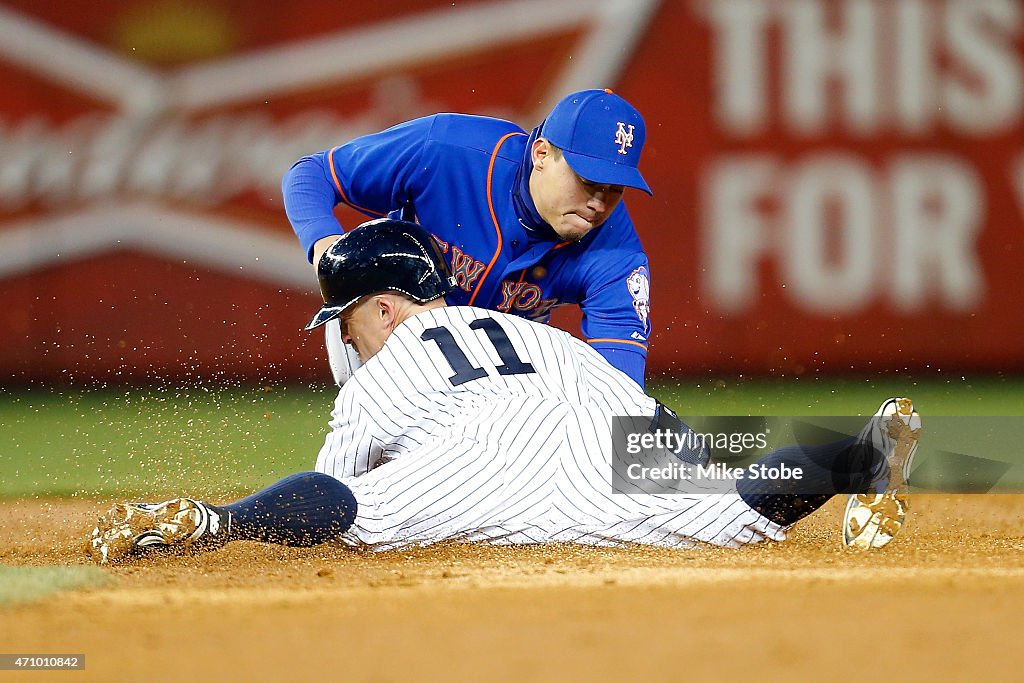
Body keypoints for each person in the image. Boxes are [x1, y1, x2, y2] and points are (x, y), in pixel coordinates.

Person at [88, 220, 922, 564]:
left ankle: (211, 520)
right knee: (734, 498)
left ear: (382, 308)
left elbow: (334, 489)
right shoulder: (535, 330)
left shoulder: (391, 361)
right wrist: (693, 466)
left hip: (477, 452)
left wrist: (254, 516)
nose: (342, 339)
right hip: (596, 434)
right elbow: (650, 420)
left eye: (342, 320)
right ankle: (860, 456)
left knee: (358, 517)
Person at [282, 89, 655, 388]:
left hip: (497, 364)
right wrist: (325, 249)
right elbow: (312, 174)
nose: (597, 202)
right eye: (588, 181)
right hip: (392, 327)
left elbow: (620, 386)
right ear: (542, 153)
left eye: (614, 189)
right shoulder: (450, 151)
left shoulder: (616, 252)